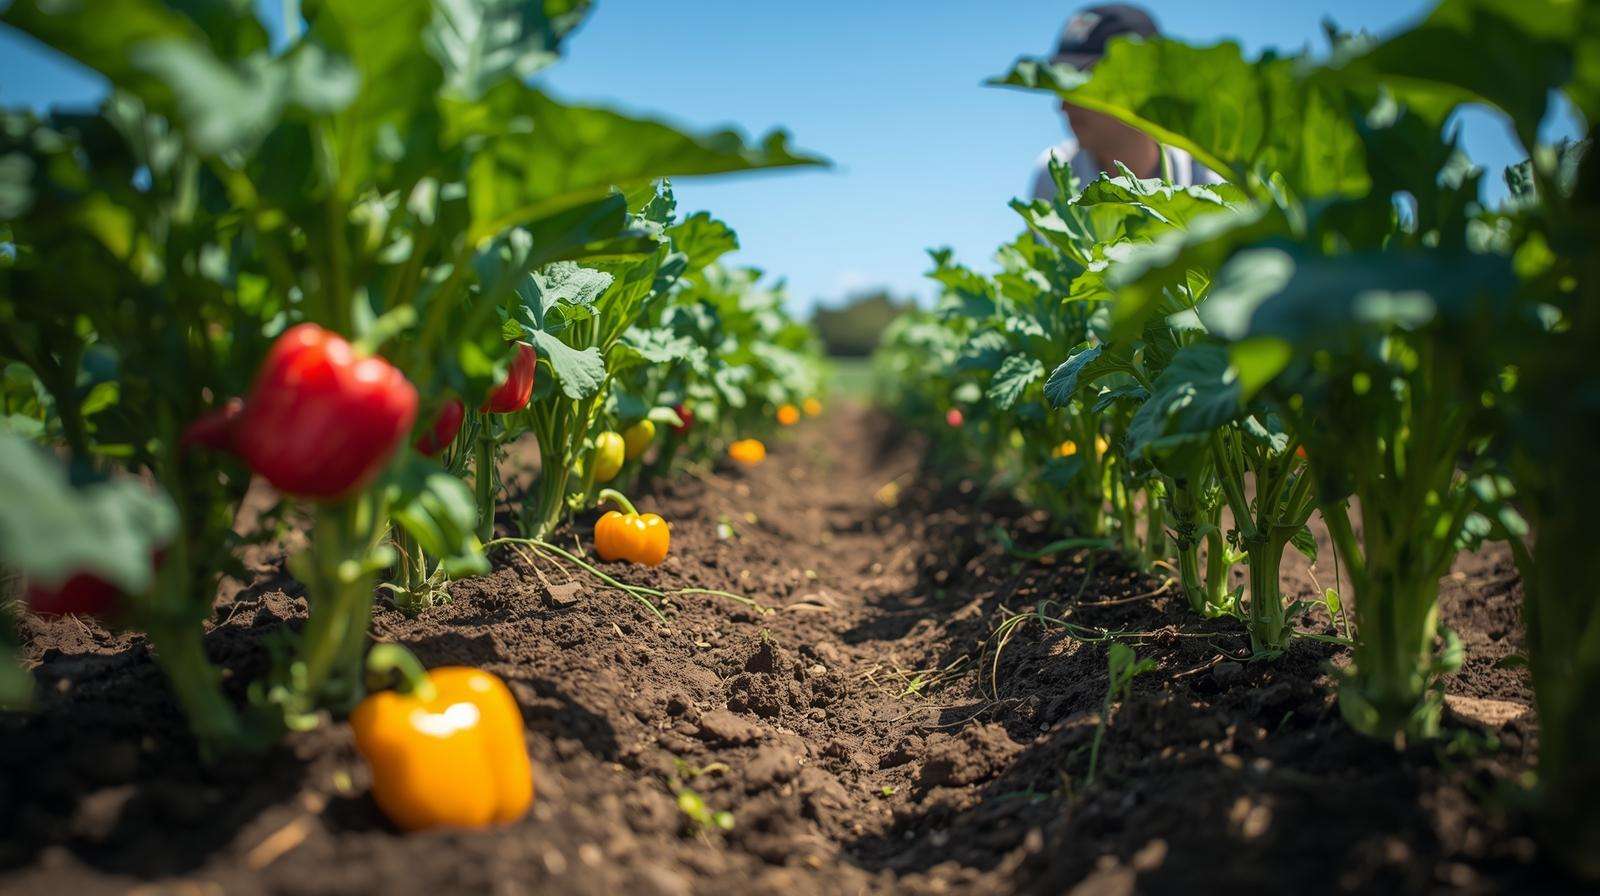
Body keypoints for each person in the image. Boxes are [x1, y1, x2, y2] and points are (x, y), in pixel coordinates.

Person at [1029, 4, 1222, 200]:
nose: (1064, 106)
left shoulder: (1211, 183)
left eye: (1083, 83)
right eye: (1061, 86)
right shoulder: (1055, 178)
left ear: (1146, 80)